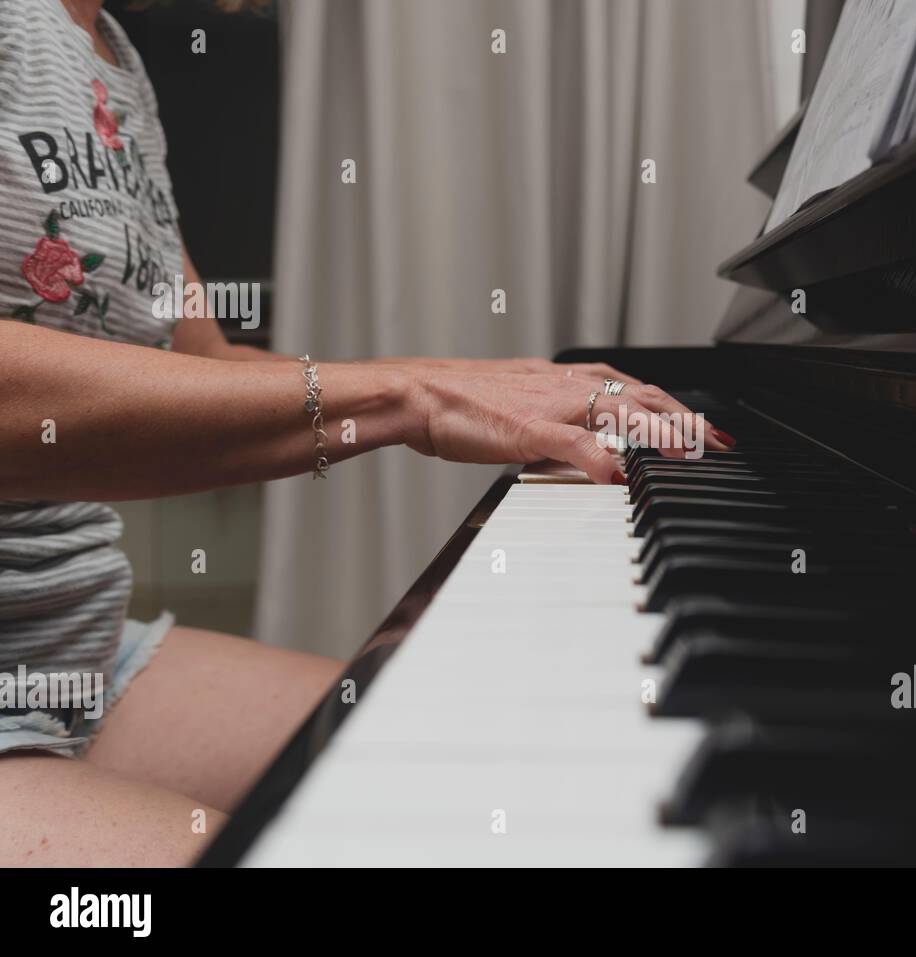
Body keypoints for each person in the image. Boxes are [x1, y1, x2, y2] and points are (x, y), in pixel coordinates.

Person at [0, 0, 729, 865]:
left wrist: (469, 383)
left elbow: (206, 360)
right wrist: (406, 397)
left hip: (75, 649)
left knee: (494, 781)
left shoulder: (110, 53)